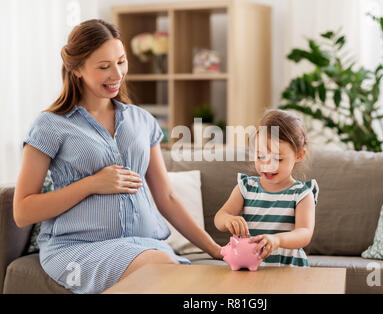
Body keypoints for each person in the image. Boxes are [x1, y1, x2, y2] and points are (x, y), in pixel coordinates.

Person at [13, 19, 222, 294]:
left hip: (144, 245)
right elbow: (23, 211)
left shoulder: (142, 120)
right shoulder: (50, 126)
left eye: (121, 62)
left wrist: (217, 250)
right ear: (76, 69)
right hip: (79, 249)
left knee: (173, 274)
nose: (117, 74)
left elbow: (167, 198)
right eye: (104, 67)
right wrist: (91, 184)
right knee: (161, 270)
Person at [214, 109, 318, 267]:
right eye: (261, 156)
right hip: (251, 268)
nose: (268, 165)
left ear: (299, 155)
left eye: (277, 158)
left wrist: (278, 240)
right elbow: (219, 218)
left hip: (290, 270)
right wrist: (228, 219)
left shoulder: (302, 194)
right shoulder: (246, 187)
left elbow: (304, 233)